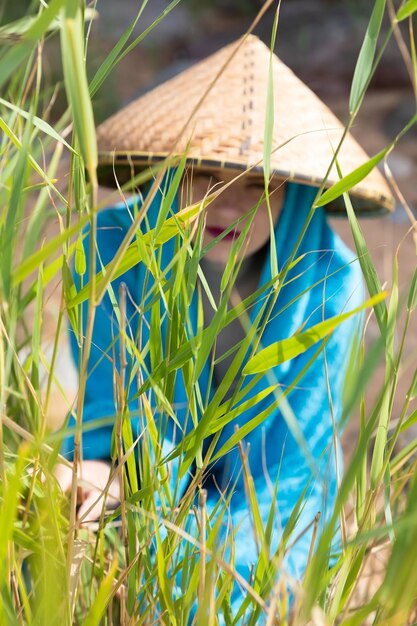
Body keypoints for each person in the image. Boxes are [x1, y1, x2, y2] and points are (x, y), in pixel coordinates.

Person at [58, 35, 393, 615]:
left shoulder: (328, 282)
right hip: (145, 483)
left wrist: (189, 533)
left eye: (259, 185)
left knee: (245, 572)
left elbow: (292, 471)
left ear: (298, 195)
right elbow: (104, 420)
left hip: (269, 492)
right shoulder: (110, 249)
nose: (224, 206)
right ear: (170, 172)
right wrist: (94, 476)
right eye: (203, 175)